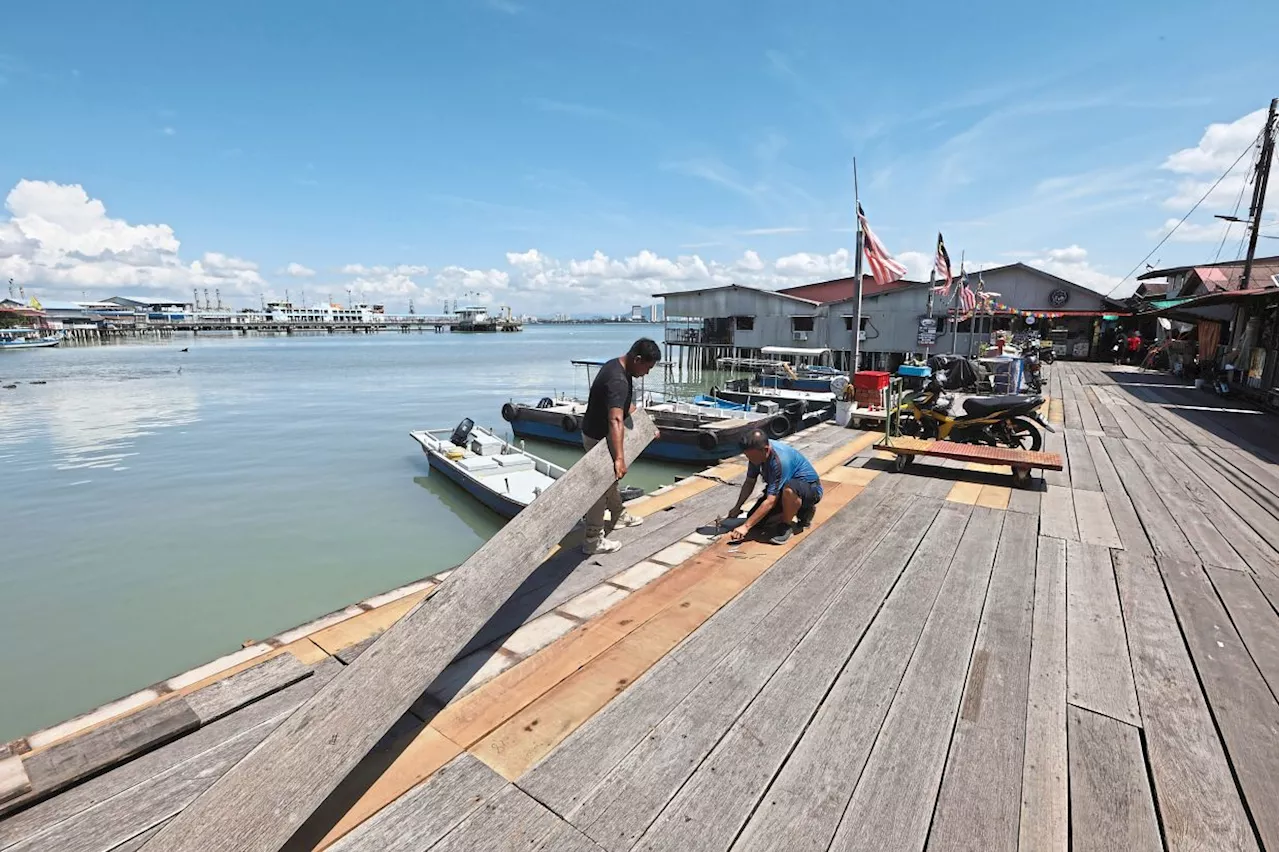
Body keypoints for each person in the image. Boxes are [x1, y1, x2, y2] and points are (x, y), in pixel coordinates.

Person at [580, 338, 662, 554]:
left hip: (597, 433)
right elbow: (615, 419)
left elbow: (626, 406)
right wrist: (619, 458)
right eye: (647, 367)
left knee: (610, 483)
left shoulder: (617, 366)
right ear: (637, 359)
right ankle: (592, 540)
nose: (647, 373)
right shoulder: (618, 380)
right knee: (599, 487)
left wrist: (647, 426)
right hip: (598, 439)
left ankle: (617, 515)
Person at [725, 429, 823, 546]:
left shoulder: (780, 461)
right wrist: (737, 507)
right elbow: (750, 482)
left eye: (751, 457)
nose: (750, 460)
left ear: (766, 450)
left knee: (789, 489)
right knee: (757, 521)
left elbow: (770, 501)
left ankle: (789, 523)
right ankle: (793, 509)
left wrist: (745, 526)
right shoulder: (756, 452)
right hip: (782, 489)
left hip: (810, 490)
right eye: (747, 456)